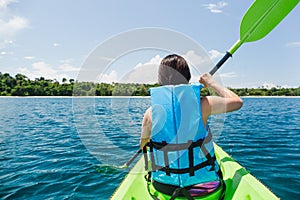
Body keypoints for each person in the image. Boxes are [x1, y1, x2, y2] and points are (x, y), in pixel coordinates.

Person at [140, 54, 243, 199]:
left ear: (160, 79)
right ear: (187, 76)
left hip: (164, 188)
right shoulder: (204, 104)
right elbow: (237, 102)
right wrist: (212, 82)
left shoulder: (150, 113)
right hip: (204, 189)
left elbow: (143, 145)